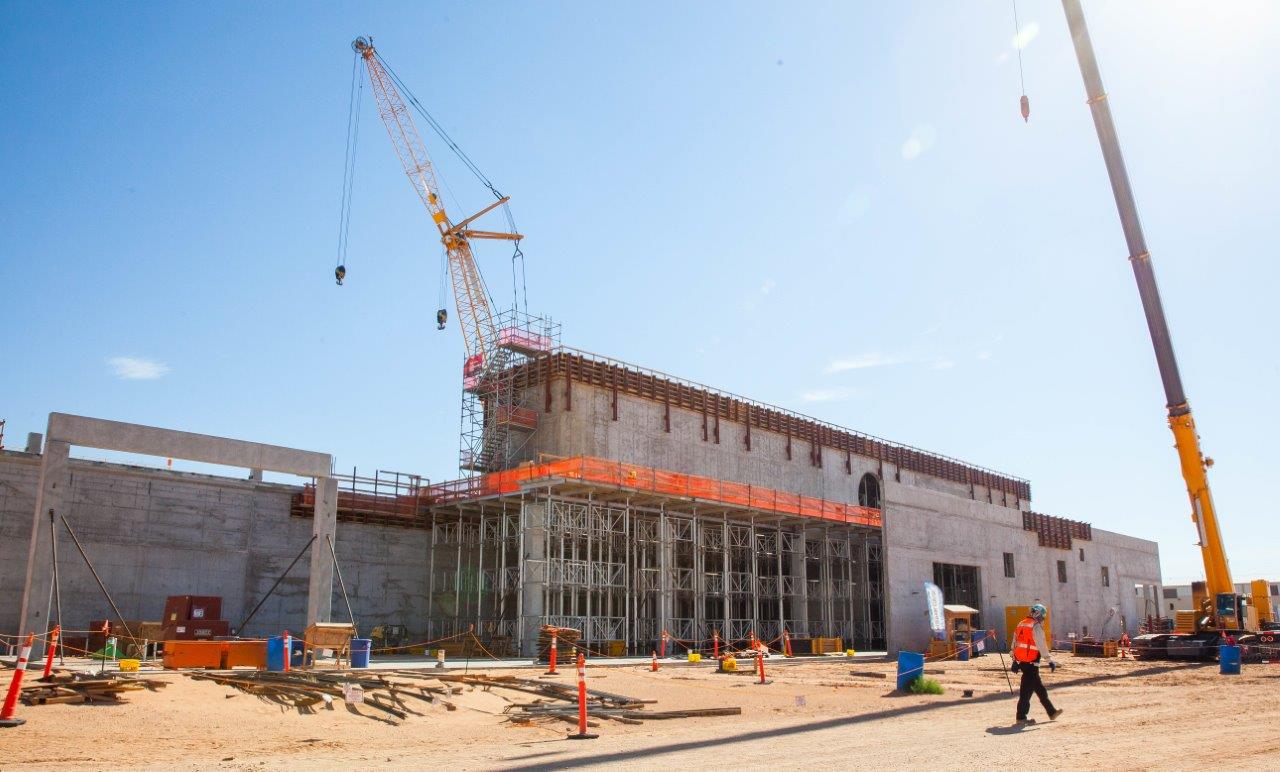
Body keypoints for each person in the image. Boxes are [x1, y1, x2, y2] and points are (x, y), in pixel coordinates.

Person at [1010, 603, 1063, 726]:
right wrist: (1049, 660)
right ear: (1038, 614)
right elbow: (1041, 645)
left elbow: (1015, 643)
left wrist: (1015, 660)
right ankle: (1021, 717)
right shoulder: (1036, 626)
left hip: (1023, 662)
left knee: (1037, 688)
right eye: (1042, 617)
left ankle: (1051, 711)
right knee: (1026, 691)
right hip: (1032, 662)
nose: (1042, 619)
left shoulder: (1021, 623)